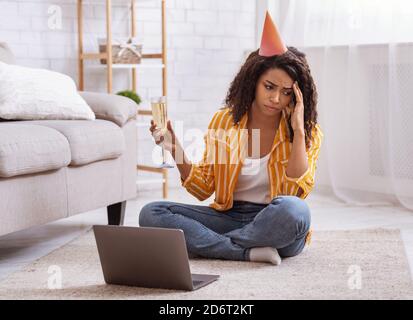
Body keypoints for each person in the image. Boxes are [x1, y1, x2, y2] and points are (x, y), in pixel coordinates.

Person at [139, 12, 323, 265]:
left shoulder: (307, 131)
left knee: (295, 210)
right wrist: (175, 149)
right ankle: (246, 250)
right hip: (229, 216)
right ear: (253, 82)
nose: (276, 99)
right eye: (269, 87)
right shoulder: (225, 122)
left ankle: (213, 244)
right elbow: (203, 189)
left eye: (286, 92)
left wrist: (298, 131)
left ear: (297, 96)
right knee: (152, 213)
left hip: (276, 219)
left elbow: (295, 188)